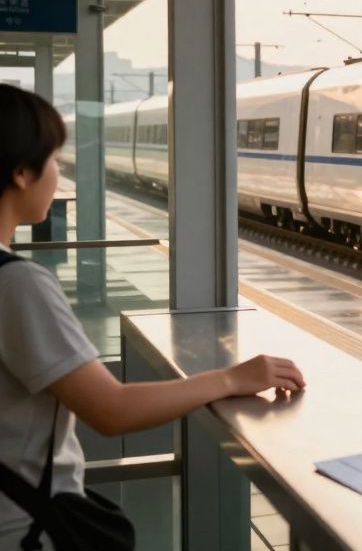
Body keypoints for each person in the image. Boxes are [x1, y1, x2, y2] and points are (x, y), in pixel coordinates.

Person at [0, 84, 306, 549]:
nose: (59, 172)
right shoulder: (17, 284)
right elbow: (111, 410)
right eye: (55, 158)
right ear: (21, 171)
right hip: (22, 531)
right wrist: (229, 379)